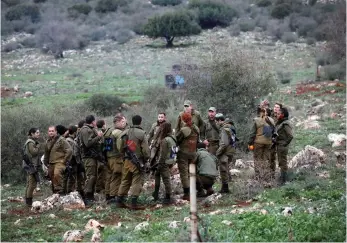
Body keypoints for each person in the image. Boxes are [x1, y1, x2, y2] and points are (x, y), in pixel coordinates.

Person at [116, 115, 150, 210]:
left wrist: (123, 156)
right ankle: (133, 203)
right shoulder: (142, 133)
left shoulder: (125, 132)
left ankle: (119, 201)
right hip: (137, 161)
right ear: (140, 122)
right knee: (137, 181)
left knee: (125, 180)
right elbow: (146, 150)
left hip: (127, 160)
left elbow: (120, 147)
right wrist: (146, 159)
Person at [79, 115, 103, 205]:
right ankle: (86, 196)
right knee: (90, 177)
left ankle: (91, 196)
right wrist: (98, 137)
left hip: (93, 156)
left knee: (94, 176)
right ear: (93, 121)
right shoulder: (85, 129)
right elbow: (87, 143)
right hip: (88, 157)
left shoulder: (91, 129)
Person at [176, 112, 199, 200]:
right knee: (193, 173)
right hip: (193, 152)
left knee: (184, 173)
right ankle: (198, 190)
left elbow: (177, 139)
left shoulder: (184, 130)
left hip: (183, 153)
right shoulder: (196, 128)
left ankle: (187, 194)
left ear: (183, 119)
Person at [104, 114, 128, 203]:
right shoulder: (118, 132)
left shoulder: (108, 131)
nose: (124, 123)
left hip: (108, 157)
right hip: (116, 157)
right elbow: (121, 146)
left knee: (109, 177)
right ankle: (113, 196)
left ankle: (108, 195)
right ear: (117, 122)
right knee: (117, 177)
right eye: (122, 122)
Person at [248, 107, 275, 183]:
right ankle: (266, 178)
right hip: (268, 143)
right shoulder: (272, 120)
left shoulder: (257, 120)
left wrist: (250, 143)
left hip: (258, 143)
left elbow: (252, 133)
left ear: (260, 112)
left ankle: (259, 177)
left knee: (257, 160)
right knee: (266, 160)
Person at [43, 125, 72, 195]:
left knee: (57, 174)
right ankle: (55, 193)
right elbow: (46, 153)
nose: (51, 132)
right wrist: (45, 162)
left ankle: (60, 192)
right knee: (52, 177)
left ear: (56, 131)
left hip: (60, 162)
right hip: (51, 163)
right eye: (49, 131)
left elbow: (69, 150)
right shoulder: (48, 141)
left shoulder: (61, 140)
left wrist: (65, 160)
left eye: (52, 131)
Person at [152, 122, 175, 204]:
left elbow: (163, 154)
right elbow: (174, 151)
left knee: (166, 179)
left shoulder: (165, 140)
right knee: (158, 175)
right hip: (170, 161)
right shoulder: (173, 138)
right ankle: (156, 193)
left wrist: (160, 163)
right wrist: (172, 161)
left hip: (164, 162)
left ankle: (168, 196)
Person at [215, 113, 235, 193]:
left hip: (225, 152)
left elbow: (224, 144)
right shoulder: (230, 127)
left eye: (217, 121)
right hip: (230, 151)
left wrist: (217, 153)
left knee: (223, 169)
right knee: (226, 169)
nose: (216, 123)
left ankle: (225, 188)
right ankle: (225, 187)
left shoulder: (224, 129)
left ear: (220, 120)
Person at [274, 107, 293, 185]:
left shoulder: (285, 123)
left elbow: (290, 136)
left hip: (282, 146)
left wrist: (285, 143)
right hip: (280, 145)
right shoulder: (280, 122)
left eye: (278, 114)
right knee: (281, 162)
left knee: (283, 163)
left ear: (283, 114)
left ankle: (284, 181)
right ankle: (282, 179)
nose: (277, 115)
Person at [23, 128, 41, 206]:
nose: (38, 134)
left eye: (38, 133)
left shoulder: (31, 141)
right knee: (32, 184)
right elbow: (34, 153)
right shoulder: (30, 142)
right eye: (37, 133)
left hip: (30, 165)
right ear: (32, 134)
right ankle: (29, 203)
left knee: (29, 183)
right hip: (31, 165)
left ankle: (28, 201)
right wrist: (37, 146)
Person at [65, 125, 84, 197]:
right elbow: (72, 153)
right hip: (72, 162)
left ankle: (76, 192)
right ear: (74, 132)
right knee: (71, 179)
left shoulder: (71, 140)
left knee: (76, 178)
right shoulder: (69, 141)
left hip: (75, 162)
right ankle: (69, 193)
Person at [270, 102, 283, 176]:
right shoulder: (269, 115)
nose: (275, 108)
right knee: (269, 156)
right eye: (275, 106)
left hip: (277, 139)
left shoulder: (281, 117)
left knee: (274, 157)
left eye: (277, 107)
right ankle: (269, 173)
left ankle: (273, 173)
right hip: (269, 138)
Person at [95, 119, 106, 194]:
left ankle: (97, 188)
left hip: (96, 156)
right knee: (102, 174)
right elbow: (103, 144)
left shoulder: (95, 131)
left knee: (97, 173)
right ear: (103, 125)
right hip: (101, 156)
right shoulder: (102, 133)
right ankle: (100, 189)